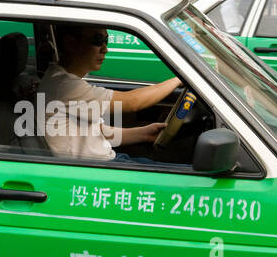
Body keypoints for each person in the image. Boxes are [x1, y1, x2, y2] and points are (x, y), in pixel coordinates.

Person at [41, 23, 178, 162]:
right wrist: (179, 78)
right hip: (96, 170)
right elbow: (132, 102)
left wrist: (144, 133)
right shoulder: (65, 87)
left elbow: (99, 131)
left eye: (106, 41)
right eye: (98, 40)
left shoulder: (62, 79)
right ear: (70, 43)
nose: (105, 49)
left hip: (108, 161)